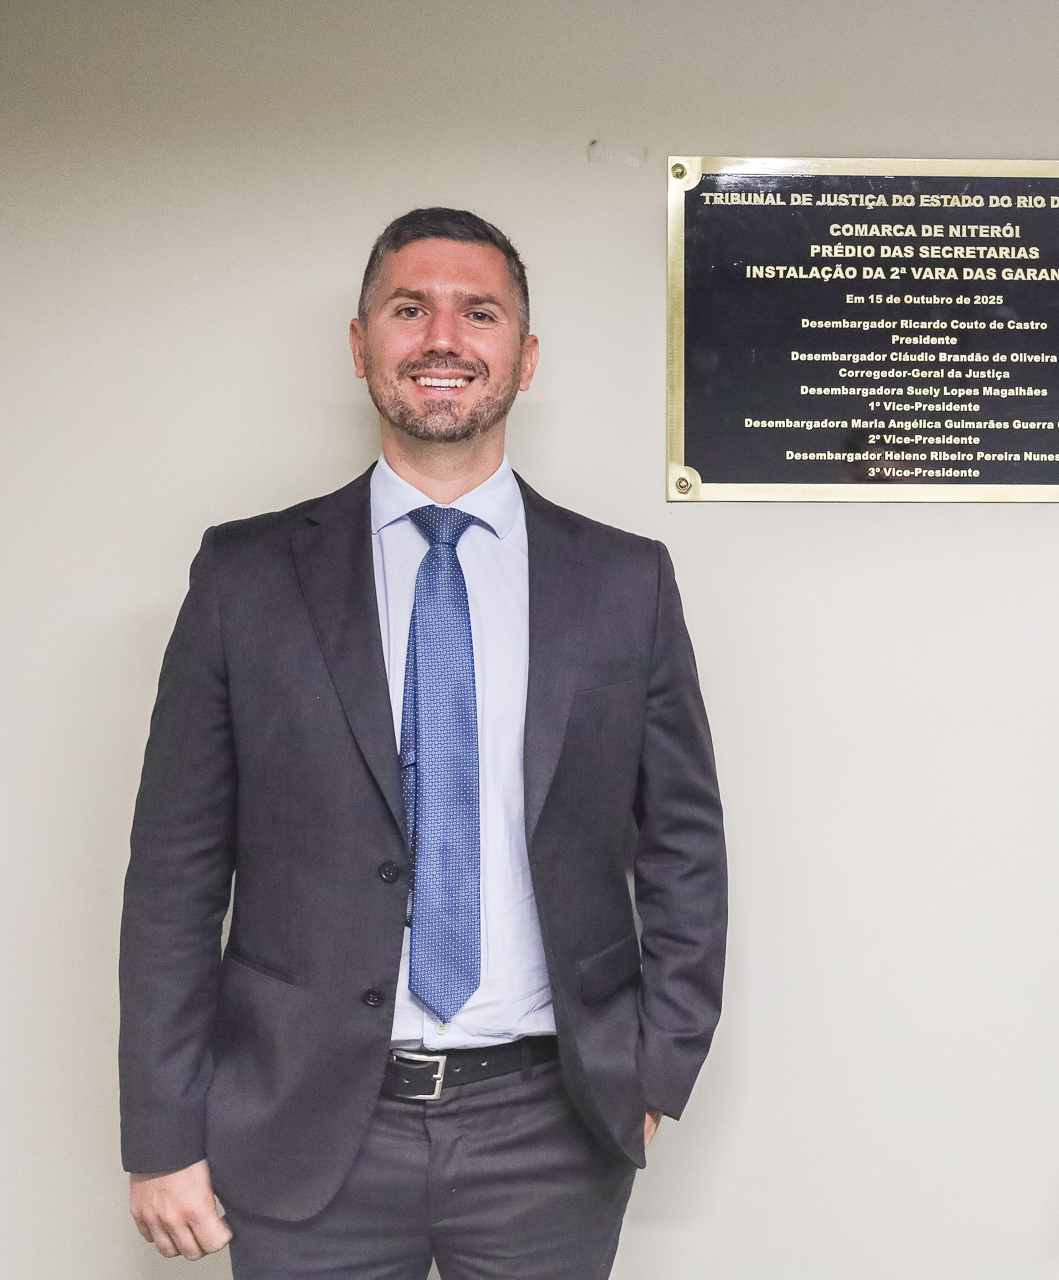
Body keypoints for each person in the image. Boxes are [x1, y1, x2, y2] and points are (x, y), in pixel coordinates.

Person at [119, 207, 727, 1279]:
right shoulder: (245, 578)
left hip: (550, 1126)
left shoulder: (625, 584)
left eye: (478, 312)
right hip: (303, 1126)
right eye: (411, 308)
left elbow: (684, 847)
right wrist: (163, 1133)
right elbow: (173, 874)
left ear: (523, 359)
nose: (443, 336)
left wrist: (653, 1065)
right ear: (362, 344)